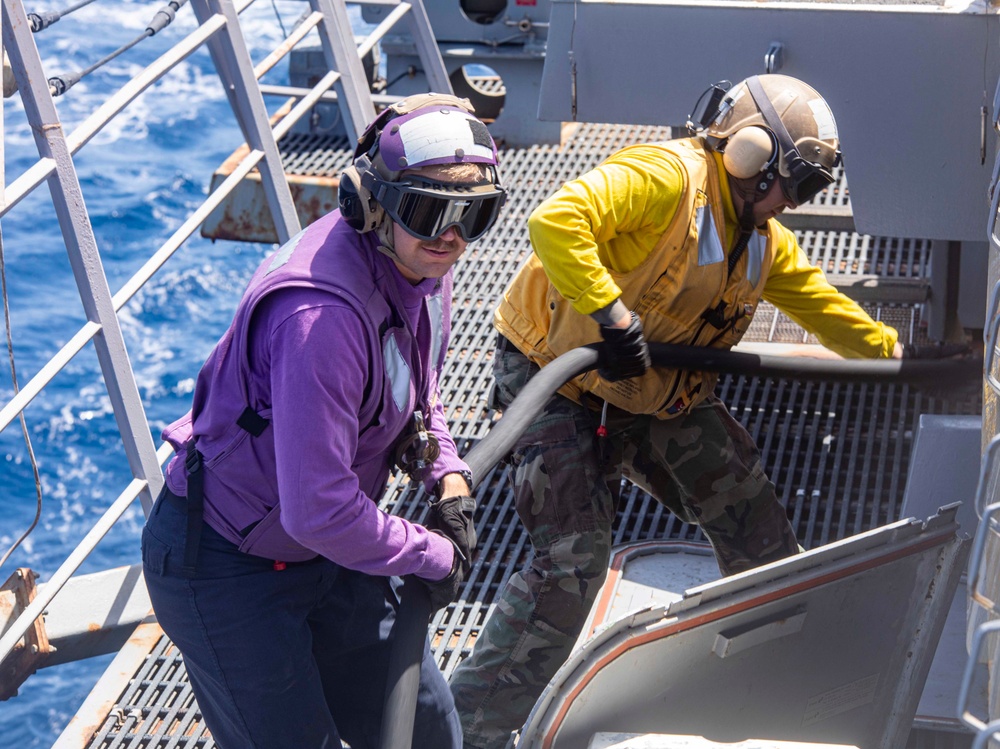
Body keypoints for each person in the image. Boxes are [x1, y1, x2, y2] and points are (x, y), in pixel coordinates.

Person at [449, 74, 920, 749]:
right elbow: (556, 220)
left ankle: (773, 685)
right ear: (752, 155)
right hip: (563, 382)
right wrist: (610, 316)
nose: (796, 202)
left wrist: (900, 354)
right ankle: (464, 731)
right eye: (799, 182)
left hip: (656, 393)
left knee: (759, 532)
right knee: (571, 564)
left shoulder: (761, 238)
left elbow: (821, 305)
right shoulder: (664, 179)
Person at [141, 93, 506, 749]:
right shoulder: (320, 319)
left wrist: (447, 475)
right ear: (371, 204)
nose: (452, 236)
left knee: (427, 729)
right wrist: (432, 551)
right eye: (429, 210)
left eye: (474, 214)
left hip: (325, 554)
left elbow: (414, 393)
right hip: (230, 566)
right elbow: (320, 509)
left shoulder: (422, 262)